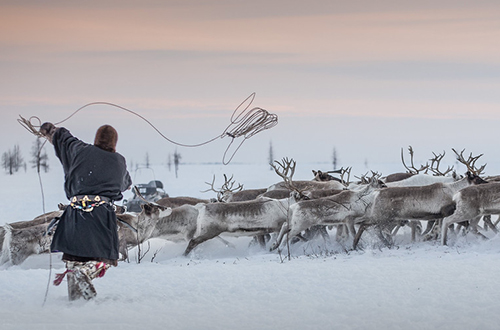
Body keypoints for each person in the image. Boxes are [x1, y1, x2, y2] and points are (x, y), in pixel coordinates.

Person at [40, 123, 132, 301]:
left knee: (74, 259)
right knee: (102, 259)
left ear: (96, 139)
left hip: (74, 213)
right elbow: (126, 184)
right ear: (114, 143)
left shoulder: (80, 150)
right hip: (101, 215)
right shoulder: (118, 161)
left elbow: (63, 138)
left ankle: (76, 302)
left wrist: (50, 130)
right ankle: (85, 275)